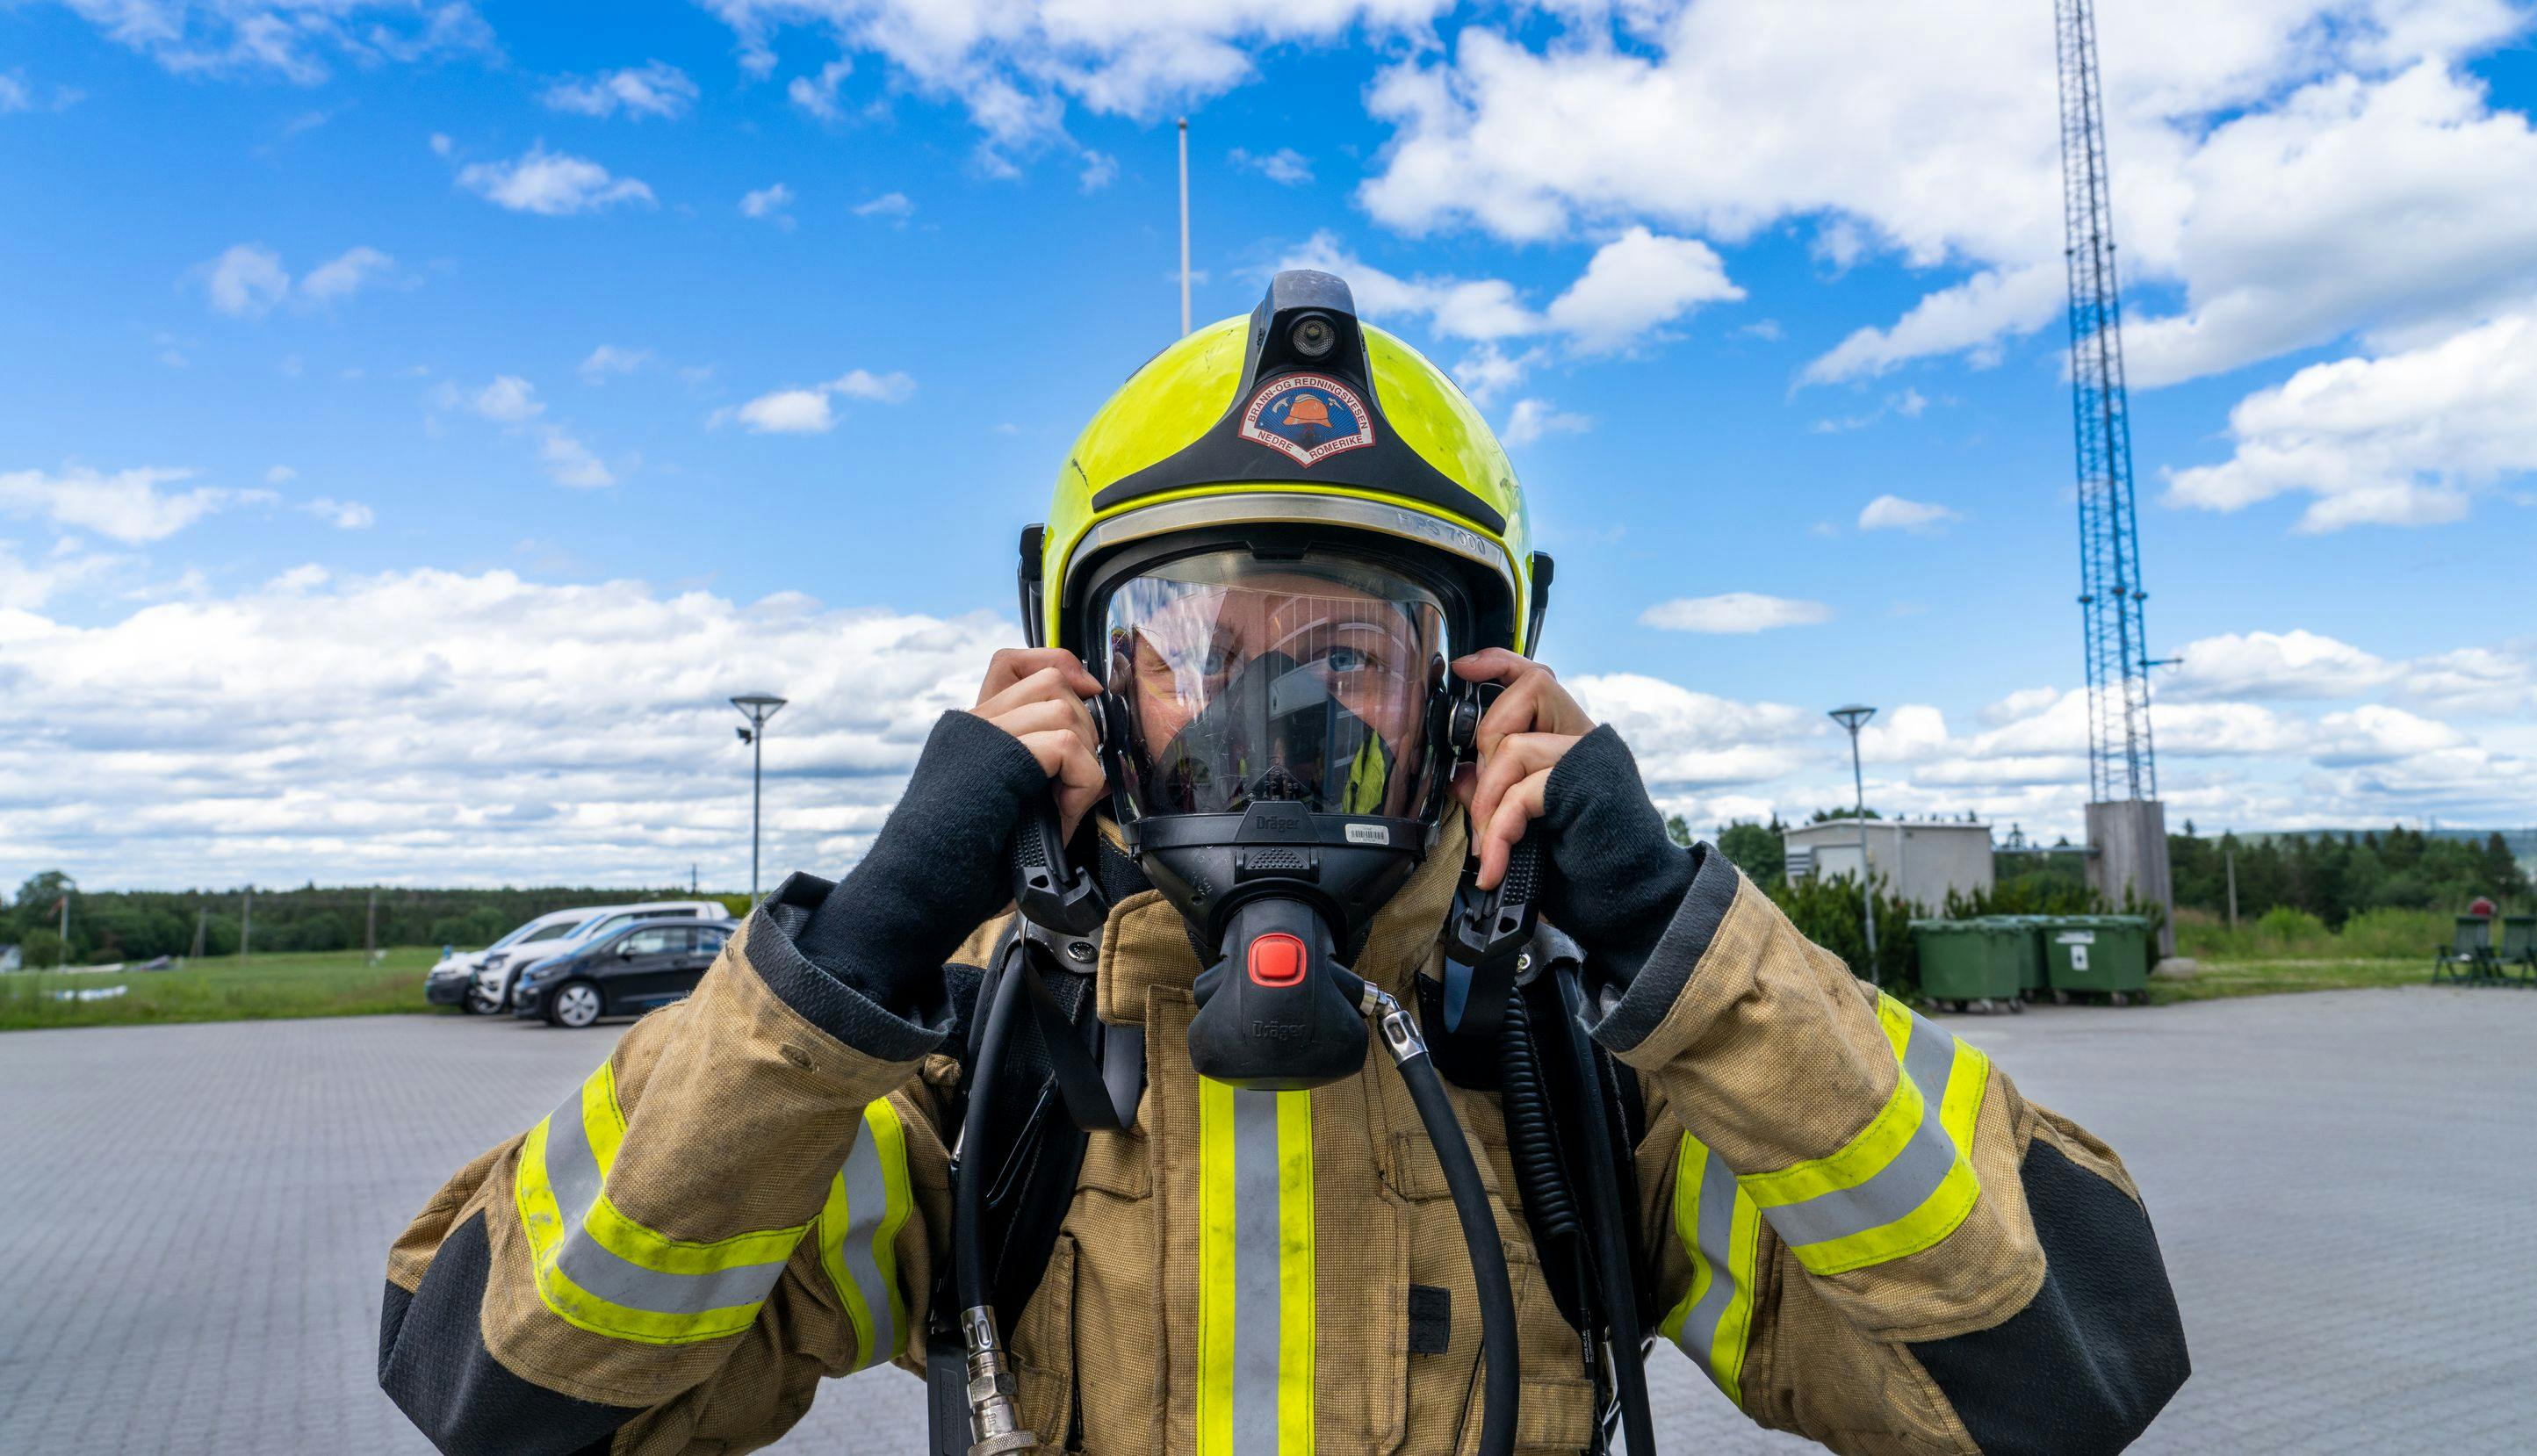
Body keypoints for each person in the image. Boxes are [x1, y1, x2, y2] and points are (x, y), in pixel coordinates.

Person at [379, 271, 2188, 1456]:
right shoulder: (977, 1088)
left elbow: (2064, 1363)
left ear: (1473, 694)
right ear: (1080, 677)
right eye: (1207, 649)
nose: (1277, 724)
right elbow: (501, 1375)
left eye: (1345, 657)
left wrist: (1675, 944)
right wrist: (856, 950)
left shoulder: (1578, 1088)